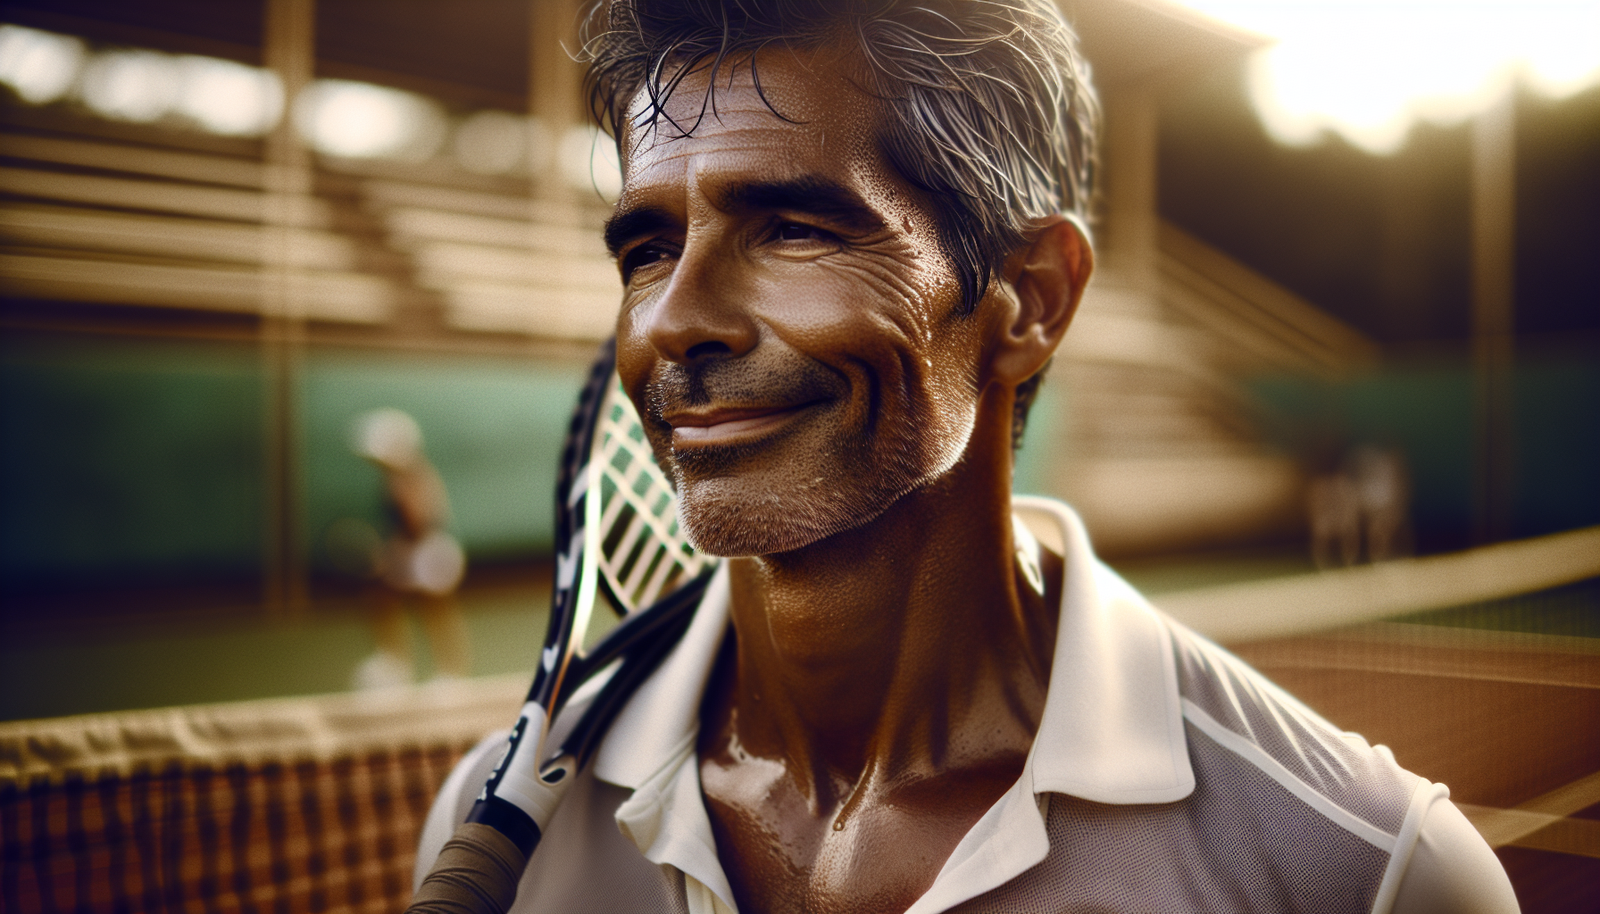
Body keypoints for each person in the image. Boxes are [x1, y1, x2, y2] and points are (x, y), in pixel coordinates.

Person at [419, 1, 1516, 911]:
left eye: (795, 229)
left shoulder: (1372, 872)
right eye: (648, 247)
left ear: (1029, 300)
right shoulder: (494, 825)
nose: (672, 320)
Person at [349, 407, 471, 688]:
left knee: (434, 612)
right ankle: (396, 665)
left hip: (428, 555)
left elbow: (419, 522)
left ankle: (449, 674)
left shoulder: (410, 479)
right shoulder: (399, 477)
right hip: (418, 553)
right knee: (382, 598)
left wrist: (392, 552)